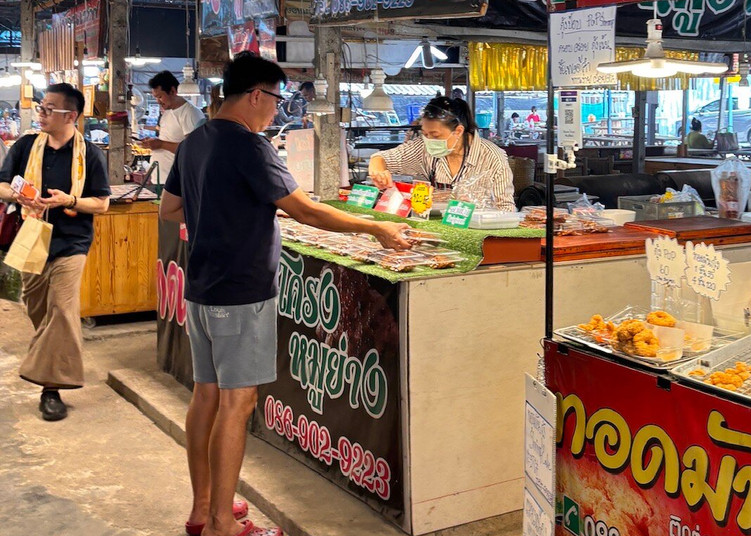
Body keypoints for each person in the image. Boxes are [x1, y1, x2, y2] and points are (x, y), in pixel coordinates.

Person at [160, 54, 412, 536]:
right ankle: (221, 525)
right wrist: (375, 227)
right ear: (255, 94)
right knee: (238, 403)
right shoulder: (250, 147)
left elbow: (171, 208)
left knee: (206, 395)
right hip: (242, 293)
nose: (276, 111)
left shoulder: (195, 142)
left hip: (201, 289)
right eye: (276, 100)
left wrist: (222, 213)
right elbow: (306, 212)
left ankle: (202, 509)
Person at [0, 84, 111, 421]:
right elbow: (3, 184)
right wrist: (19, 197)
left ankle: (50, 388)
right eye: (41, 108)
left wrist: (70, 201)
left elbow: (102, 203)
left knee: (62, 309)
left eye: (50, 109)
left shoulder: (90, 154)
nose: (42, 114)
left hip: (72, 241)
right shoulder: (25, 146)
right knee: (38, 310)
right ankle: (47, 366)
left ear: (71, 116)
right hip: (31, 235)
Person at [368, 95, 516, 212]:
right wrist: (379, 171)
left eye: (435, 135)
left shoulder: (492, 157)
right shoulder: (422, 148)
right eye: (425, 134)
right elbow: (380, 158)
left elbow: (506, 208)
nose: (428, 140)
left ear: (458, 131)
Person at [145, 70, 206, 185]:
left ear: (173, 91)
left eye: (160, 96)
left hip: (177, 183)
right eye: (155, 97)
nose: (158, 101)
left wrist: (161, 144)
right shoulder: (167, 112)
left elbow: (193, 150)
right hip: (160, 180)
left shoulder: (190, 113)